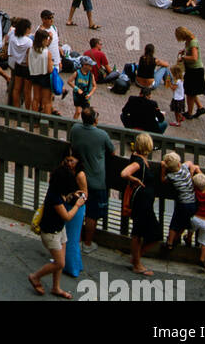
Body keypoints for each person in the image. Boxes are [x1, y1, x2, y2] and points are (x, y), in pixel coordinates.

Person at [29, 156, 86, 298]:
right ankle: (35, 276)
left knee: (59, 260)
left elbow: (65, 197)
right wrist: (77, 205)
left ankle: (56, 287)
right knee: (60, 263)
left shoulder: (56, 190)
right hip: (51, 233)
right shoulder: (55, 198)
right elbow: (66, 216)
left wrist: (73, 195)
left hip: (59, 229)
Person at [68, 107, 114, 252]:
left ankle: (76, 239)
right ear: (95, 119)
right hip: (95, 180)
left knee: (78, 207)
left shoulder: (75, 129)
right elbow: (112, 151)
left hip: (78, 177)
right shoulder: (102, 135)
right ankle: (87, 244)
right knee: (92, 214)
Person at [121, 132, 162, 273]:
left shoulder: (139, 158)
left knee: (143, 232)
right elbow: (124, 173)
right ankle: (137, 264)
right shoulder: (138, 162)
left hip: (144, 201)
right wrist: (135, 180)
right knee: (142, 233)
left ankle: (136, 258)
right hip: (141, 202)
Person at [174, 25, 205, 119]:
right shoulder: (189, 41)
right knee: (192, 91)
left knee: (190, 92)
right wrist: (184, 51)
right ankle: (200, 107)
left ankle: (189, 113)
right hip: (191, 69)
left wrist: (183, 57)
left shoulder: (193, 42)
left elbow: (194, 58)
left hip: (195, 70)